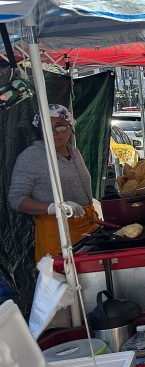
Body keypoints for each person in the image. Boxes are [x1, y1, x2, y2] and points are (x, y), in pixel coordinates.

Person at [8, 104, 100, 261]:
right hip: (57, 234)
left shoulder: (74, 151)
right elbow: (16, 199)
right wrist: (54, 207)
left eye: (60, 127)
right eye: (47, 128)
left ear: (70, 126)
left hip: (88, 228)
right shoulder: (31, 157)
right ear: (40, 130)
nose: (54, 133)